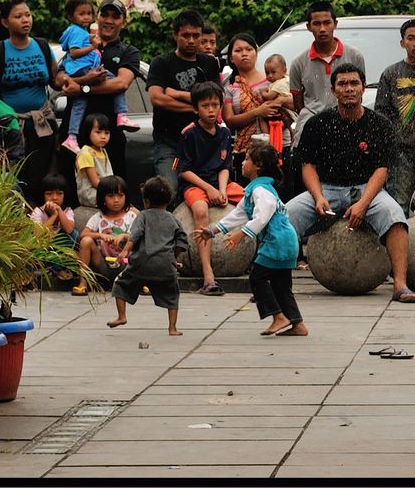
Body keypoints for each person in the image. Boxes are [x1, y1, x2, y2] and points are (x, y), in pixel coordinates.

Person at [286, 63, 415, 304]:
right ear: (334, 90)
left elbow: (382, 170)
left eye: (354, 83)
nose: (349, 89)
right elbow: (308, 166)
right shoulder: (318, 124)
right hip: (327, 189)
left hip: (367, 189)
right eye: (343, 84)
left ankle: (400, 284)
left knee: (396, 217)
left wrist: (363, 204)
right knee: (285, 217)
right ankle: (277, 285)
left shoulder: (379, 124)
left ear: (363, 87)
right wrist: (317, 197)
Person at [195, 142, 307, 337]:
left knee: (257, 277)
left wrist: (242, 234)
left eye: (247, 159)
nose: (243, 162)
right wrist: (212, 230)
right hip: (286, 241)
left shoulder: (260, 190)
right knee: (281, 284)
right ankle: (298, 324)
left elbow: (262, 217)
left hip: (277, 242)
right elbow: (237, 215)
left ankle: (278, 317)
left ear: (258, 166)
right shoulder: (255, 189)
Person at [58, 0, 142, 197]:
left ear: (123, 21)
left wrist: (82, 88)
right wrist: (81, 80)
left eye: (115, 16)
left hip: (109, 136)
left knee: (112, 195)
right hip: (74, 135)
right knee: (70, 194)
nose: (109, 20)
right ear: (97, 17)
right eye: (104, 14)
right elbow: (59, 77)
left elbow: (121, 83)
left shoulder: (129, 52)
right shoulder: (80, 42)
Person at [0, 0, 65, 204]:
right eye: (18, 16)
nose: (26, 20)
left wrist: (67, 80)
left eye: (28, 15)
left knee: (42, 178)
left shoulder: (42, 46)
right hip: (11, 129)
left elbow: (55, 80)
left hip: (41, 126)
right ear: (5, 22)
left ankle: (42, 226)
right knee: (14, 180)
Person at [177, 81, 245, 296]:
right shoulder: (189, 133)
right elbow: (184, 171)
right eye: (205, 106)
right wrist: (210, 190)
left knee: (253, 199)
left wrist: (223, 190)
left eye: (215, 105)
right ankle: (208, 275)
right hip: (195, 183)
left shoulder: (224, 133)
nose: (211, 110)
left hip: (219, 182)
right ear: (196, 108)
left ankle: (259, 261)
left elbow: (225, 166)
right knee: (200, 211)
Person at [147, 9, 222, 189]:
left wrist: (177, 94)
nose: (191, 40)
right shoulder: (161, 63)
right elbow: (157, 99)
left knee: (208, 192)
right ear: (175, 35)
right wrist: (198, 107)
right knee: (168, 189)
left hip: (203, 143)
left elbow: (217, 98)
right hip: (169, 143)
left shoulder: (209, 63)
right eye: (185, 35)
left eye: (196, 35)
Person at [374, 18, 415, 216]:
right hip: (402, 151)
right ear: (403, 43)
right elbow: (381, 113)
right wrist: (391, 143)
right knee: (398, 205)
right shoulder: (391, 73)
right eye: (411, 38)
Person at [107, 176, 187, 335]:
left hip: (140, 264)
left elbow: (135, 234)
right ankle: (172, 328)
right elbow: (182, 241)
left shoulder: (142, 216)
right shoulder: (173, 220)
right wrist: (173, 258)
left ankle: (122, 316)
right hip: (165, 266)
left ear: (146, 200)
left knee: (120, 285)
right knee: (172, 294)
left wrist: (125, 251)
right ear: (169, 200)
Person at [288, 1, 365, 146]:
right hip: (311, 122)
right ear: (308, 27)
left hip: (348, 120)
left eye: (327, 23)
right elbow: (298, 103)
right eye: (316, 24)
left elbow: (359, 94)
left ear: (335, 24)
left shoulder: (354, 56)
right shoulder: (299, 62)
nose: (322, 29)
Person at [221, 34, 285, 184]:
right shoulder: (230, 87)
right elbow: (229, 120)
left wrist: (281, 101)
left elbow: (291, 102)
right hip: (246, 150)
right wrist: (257, 112)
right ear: (231, 58)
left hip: (277, 145)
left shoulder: (273, 80)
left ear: (256, 53)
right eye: (238, 50)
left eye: (249, 49)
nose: (244, 53)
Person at [75, 176, 138, 296]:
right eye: (111, 196)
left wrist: (125, 236)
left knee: (141, 245)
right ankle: (83, 283)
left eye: (120, 195)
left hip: (126, 263)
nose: (116, 200)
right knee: (86, 241)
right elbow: (83, 235)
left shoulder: (131, 216)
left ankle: (142, 282)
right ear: (102, 198)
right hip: (103, 264)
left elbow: (140, 238)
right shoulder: (98, 217)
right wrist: (100, 235)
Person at [74, 113, 115, 208]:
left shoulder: (103, 151)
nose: (103, 136)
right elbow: (95, 182)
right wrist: (114, 192)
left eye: (107, 133)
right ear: (88, 132)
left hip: (106, 191)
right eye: (98, 132)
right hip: (92, 194)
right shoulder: (85, 153)